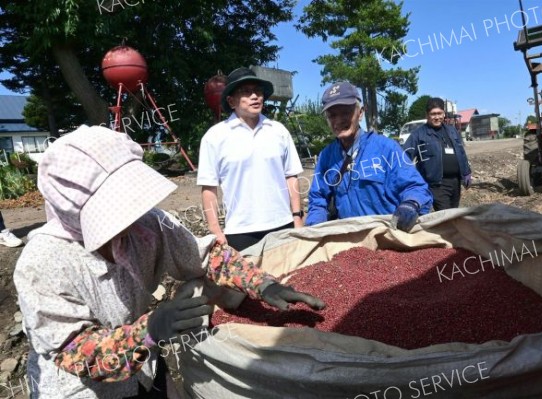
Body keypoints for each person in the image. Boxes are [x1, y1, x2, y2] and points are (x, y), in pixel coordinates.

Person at [13, 125, 324, 398]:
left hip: (144, 369)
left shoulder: (146, 224)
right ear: (71, 210)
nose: (129, 213)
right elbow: (75, 353)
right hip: (83, 390)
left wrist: (261, 283)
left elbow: (206, 256)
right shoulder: (44, 262)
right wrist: (150, 329)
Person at [197, 67, 304, 251]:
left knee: (289, 279)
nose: (255, 96)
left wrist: (297, 217)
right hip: (241, 231)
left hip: (283, 225)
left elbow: (291, 176)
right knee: (251, 280)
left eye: (258, 91)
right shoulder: (215, 137)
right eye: (246, 92)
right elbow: (209, 188)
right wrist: (215, 230)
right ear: (231, 101)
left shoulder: (278, 131)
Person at [305, 82, 433, 231]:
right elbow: (318, 198)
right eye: (332, 115)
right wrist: (315, 227)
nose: (338, 120)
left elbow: (416, 186)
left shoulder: (386, 149)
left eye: (346, 112)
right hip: (348, 241)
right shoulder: (326, 157)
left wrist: (411, 203)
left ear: (360, 113)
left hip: (386, 237)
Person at [403, 97, 472, 211]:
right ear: (427, 115)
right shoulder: (418, 135)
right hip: (436, 185)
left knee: (454, 214)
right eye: (433, 114)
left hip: (455, 182)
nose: (437, 117)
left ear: (444, 114)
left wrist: (466, 172)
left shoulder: (452, 130)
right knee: (446, 217)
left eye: (439, 113)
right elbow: (404, 158)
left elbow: (461, 152)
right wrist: (410, 182)